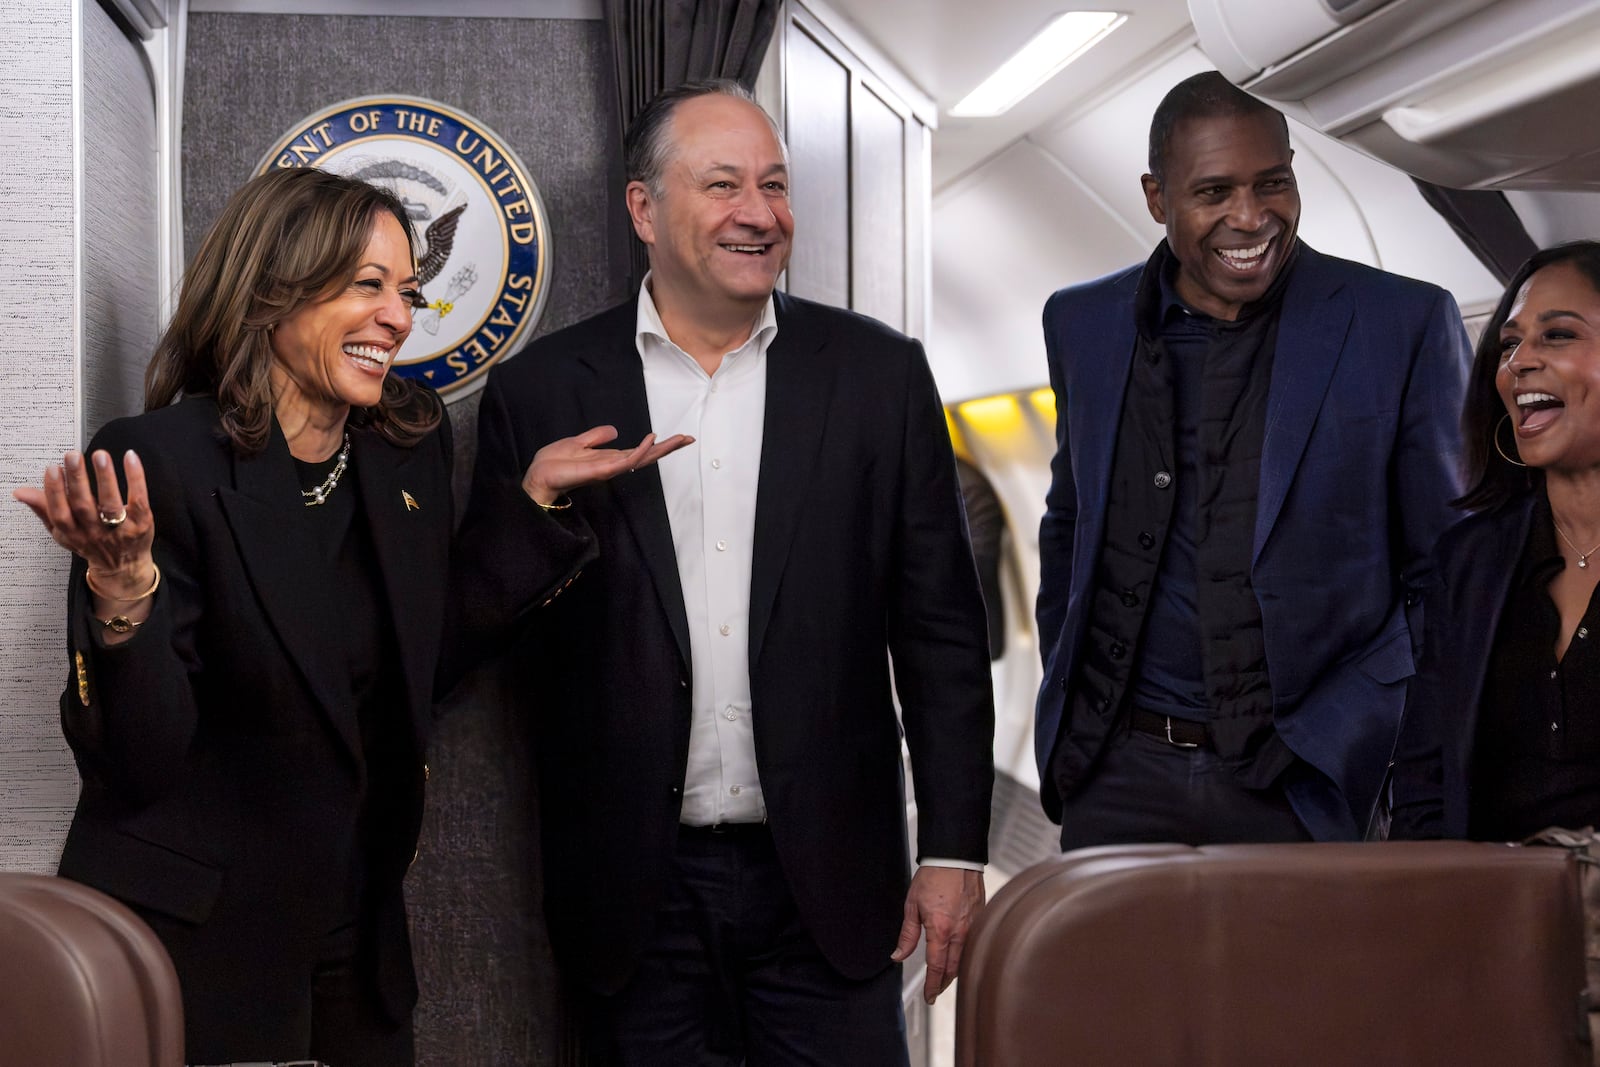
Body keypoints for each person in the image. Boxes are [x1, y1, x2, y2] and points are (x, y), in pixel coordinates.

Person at [12, 166, 681, 1065]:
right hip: (197, 948)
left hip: (355, 943)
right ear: (269, 293)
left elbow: (419, 660)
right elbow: (136, 760)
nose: (399, 318)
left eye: (406, 291)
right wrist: (123, 592)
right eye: (368, 286)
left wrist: (530, 507)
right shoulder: (158, 460)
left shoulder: (404, 445)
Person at [460, 79, 994, 1065]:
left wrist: (954, 849)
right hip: (632, 894)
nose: (760, 213)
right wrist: (532, 514)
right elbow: (480, 637)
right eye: (723, 184)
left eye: (775, 185)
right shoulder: (540, 392)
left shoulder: (876, 377)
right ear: (643, 210)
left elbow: (941, 632)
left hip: (830, 885)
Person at [1033, 70, 1473, 847]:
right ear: (1156, 198)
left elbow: (1447, 573)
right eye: (1214, 192)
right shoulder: (1082, 323)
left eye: (1273, 182)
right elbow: (1068, 524)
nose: (1251, 216)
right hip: (1116, 772)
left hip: (1304, 782)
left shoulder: (1400, 322)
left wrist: (1361, 731)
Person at [1391, 242, 1600, 841]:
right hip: (1490, 919)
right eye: (1510, 344)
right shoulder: (1471, 559)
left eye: (1557, 335)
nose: (1519, 363)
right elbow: (1425, 784)